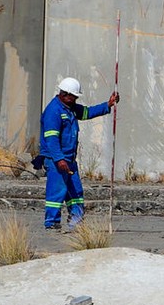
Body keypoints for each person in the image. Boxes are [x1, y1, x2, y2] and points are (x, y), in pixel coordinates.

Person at [39, 77, 119, 231]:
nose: (75, 99)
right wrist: (59, 159)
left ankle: (76, 221)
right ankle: (52, 222)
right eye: (73, 96)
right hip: (57, 160)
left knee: (75, 190)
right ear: (64, 94)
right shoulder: (53, 111)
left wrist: (108, 104)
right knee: (57, 191)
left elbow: (87, 112)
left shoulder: (70, 108)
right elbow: (52, 139)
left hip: (69, 159)